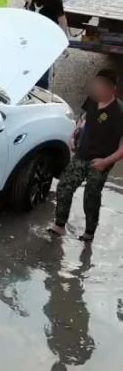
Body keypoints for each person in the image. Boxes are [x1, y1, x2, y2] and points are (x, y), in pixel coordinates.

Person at [49, 69, 123, 242]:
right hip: (81, 155)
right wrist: (73, 135)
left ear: (113, 88)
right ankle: (59, 226)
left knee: (91, 196)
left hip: (100, 161)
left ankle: (89, 232)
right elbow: (83, 117)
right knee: (64, 187)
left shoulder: (119, 112)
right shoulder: (92, 99)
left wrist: (106, 162)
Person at [23, 0, 68, 89]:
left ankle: (40, 91)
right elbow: (27, 13)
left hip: (46, 41)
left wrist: (63, 41)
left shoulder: (54, 0)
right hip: (30, 38)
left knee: (42, 70)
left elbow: (62, 20)